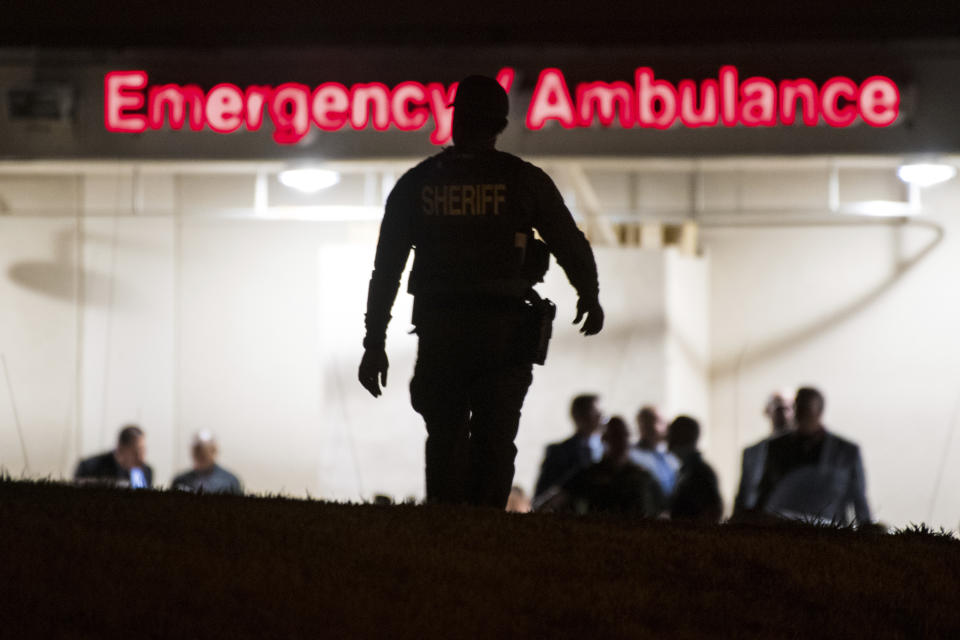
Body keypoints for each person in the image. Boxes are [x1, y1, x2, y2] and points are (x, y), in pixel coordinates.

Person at [358, 74, 604, 508]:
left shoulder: (418, 184)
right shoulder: (524, 181)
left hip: (442, 333)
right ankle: (486, 531)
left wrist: (374, 342)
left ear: (455, 121)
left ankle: (447, 531)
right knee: (495, 439)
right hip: (504, 335)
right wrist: (589, 292)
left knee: (445, 437)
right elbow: (570, 242)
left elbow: (387, 272)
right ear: (500, 125)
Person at [754, 387, 871, 526]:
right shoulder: (776, 447)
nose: (799, 414)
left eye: (805, 409)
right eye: (797, 407)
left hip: (831, 534)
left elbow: (859, 501)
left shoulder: (846, 451)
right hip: (783, 532)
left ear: (819, 412)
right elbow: (764, 493)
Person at [544, 417, 663, 516]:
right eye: (615, 436)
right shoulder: (589, 475)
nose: (621, 442)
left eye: (624, 436)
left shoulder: (642, 476)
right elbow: (555, 500)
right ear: (604, 439)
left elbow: (662, 509)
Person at [533, 394, 605, 501]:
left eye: (600, 412)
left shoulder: (608, 450)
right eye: (594, 411)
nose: (600, 416)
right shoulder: (558, 452)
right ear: (578, 416)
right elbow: (543, 492)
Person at [732, 391, 794, 517]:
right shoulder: (751, 452)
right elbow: (743, 493)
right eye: (779, 408)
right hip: (755, 520)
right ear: (767, 411)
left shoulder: (803, 450)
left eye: (788, 408)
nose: (784, 414)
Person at [667, 416, 723, 522]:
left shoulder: (699, 473)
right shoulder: (688, 470)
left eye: (673, 435)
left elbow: (712, 512)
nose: (668, 441)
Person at [74, 424, 152, 489]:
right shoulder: (90, 467)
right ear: (121, 448)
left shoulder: (145, 471)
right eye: (136, 451)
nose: (141, 457)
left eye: (143, 450)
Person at [170, 430, 243, 495]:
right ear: (192, 452)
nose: (201, 454)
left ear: (214, 450)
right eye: (198, 450)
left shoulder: (229, 481)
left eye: (206, 450)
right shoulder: (181, 480)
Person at [629, 405, 679, 496]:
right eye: (646, 422)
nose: (652, 426)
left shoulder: (671, 457)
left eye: (661, 422)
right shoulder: (632, 456)